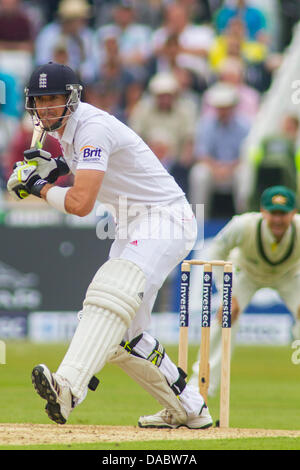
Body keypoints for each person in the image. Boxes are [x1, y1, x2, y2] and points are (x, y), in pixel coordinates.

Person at [6, 62, 213, 429]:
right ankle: (189, 409)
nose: (46, 109)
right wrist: (53, 168)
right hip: (132, 224)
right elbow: (93, 169)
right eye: (40, 101)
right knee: (120, 337)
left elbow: (81, 205)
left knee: (110, 292)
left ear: (72, 98)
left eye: (54, 100)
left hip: (164, 218)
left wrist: (38, 187)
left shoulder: (93, 127)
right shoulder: (67, 133)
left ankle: (67, 387)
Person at [188, 185, 300, 396]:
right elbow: (215, 252)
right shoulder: (243, 225)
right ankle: (200, 386)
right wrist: (227, 294)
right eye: (273, 213)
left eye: (283, 214)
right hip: (246, 273)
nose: (277, 219)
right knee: (227, 316)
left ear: (293, 214)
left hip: (288, 276)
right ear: (263, 211)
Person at [189, 81, 251, 218]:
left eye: (226, 107)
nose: (223, 111)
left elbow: (247, 154)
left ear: (233, 107)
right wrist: (216, 168)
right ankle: (199, 222)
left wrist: (229, 168)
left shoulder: (245, 125)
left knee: (244, 174)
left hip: (235, 168)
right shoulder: (205, 124)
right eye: (220, 107)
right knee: (199, 174)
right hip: (213, 169)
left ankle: (244, 218)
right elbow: (201, 154)